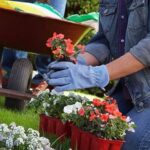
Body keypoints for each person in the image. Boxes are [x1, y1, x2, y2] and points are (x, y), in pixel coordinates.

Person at [44, 0, 150, 149]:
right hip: (132, 89)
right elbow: (104, 41)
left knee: (134, 142)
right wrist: (77, 63)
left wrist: (98, 74)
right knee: (89, 130)